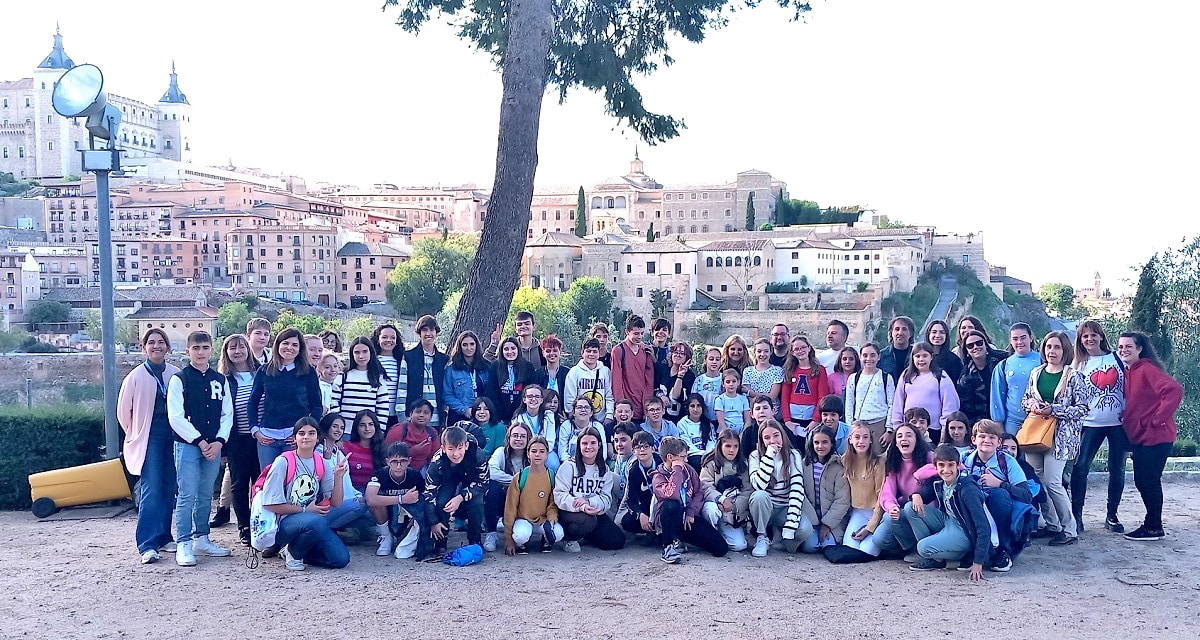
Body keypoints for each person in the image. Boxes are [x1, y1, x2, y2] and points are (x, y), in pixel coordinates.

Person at [167, 331, 234, 566]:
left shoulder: (220, 380)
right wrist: (199, 441)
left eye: (205, 348)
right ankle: (183, 541)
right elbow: (175, 416)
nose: (201, 352)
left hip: (213, 446)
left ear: (211, 350)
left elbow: (227, 414)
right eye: (196, 348)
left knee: (206, 493)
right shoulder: (179, 379)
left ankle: (202, 537)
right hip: (188, 445)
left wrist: (219, 441)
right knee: (187, 493)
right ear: (188, 351)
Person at [1020, 331, 1085, 545]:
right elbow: (1025, 399)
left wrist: (1053, 410)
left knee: (1053, 482)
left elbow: (1082, 408)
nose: (1052, 351)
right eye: (1049, 347)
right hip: (1036, 433)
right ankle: (1052, 524)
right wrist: (1034, 405)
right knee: (1038, 481)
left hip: (1061, 437)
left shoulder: (1073, 376)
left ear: (1065, 350)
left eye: (1057, 347)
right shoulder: (1036, 373)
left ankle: (1070, 529)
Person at [1118, 331, 1183, 541]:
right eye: (1121, 347)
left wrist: (1156, 420)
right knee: (1142, 480)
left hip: (1157, 436)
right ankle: (1152, 524)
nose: (1123, 350)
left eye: (1129, 346)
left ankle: (1154, 526)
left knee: (1149, 480)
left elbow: (1174, 390)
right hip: (1142, 436)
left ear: (1140, 349)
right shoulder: (1129, 371)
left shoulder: (1146, 369)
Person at [261, 417, 351, 571]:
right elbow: (270, 504)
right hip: (282, 523)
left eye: (311, 433)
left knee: (340, 559)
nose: (306, 437)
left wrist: (338, 477)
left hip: (311, 521)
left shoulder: (320, 462)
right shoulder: (283, 462)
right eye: (301, 433)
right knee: (317, 521)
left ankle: (290, 551)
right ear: (294, 438)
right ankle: (294, 554)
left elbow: (336, 502)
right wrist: (305, 510)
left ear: (318, 438)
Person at [1069, 320, 1130, 534]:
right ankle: (1077, 515)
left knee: (1117, 469)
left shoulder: (1117, 358)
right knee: (1080, 468)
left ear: (1101, 336)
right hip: (1090, 423)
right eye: (1085, 336)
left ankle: (1112, 515)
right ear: (1080, 340)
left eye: (1093, 335)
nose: (1089, 339)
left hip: (1118, 423)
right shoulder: (1078, 364)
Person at [909, 444, 993, 582]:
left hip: (964, 531)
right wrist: (916, 495)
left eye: (951, 465)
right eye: (941, 465)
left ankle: (959, 555)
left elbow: (983, 527)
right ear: (935, 467)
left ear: (958, 465)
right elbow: (925, 493)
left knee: (922, 548)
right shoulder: (939, 481)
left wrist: (978, 561)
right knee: (910, 508)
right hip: (947, 520)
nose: (946, 470)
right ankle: (935, 558)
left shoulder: (968, 490)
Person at [248, 328, 324, 470]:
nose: (289, 347)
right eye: (285, 343)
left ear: (300, 349)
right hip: (268, 437)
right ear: (278, 345)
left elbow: (316, 406)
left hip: (294, 438)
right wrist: (255, 430)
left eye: (295, 345)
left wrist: (305, 432)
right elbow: (253, 402)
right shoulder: (264, 371)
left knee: (292, 478)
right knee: (268, 478)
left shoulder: (308, 372)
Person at [962, 419, 1032, 572]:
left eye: (992, 437)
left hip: (1000, 510)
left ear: (999, 442)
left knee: (999, 495)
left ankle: (1003, 550)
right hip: (975, 507)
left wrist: (1000, 483)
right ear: (973, 439)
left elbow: (1026, 495)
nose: (987, 440)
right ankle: (974, 549)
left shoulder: (1007, 461)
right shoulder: (964, 459)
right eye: (982, 436)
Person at [652, 437, 730, 563]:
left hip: (688, 517)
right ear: (670, 457)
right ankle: (668, 546)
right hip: (670, 521)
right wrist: (677, 470)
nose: (686, 460)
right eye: (683, 457)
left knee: (721, 549)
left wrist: (691, 511)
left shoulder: (688, 470)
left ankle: (683, 539)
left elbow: (699, 492)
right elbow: (672, 494)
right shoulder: (658, 477)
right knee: (671, 504)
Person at [216, 334, 260, 546]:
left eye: (241, 346)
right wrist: (223, 447)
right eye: (232, 348)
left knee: (261, 482)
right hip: (236, 439)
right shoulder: (223, 379)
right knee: (239, 484)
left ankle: (260, 523)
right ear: (226, 353)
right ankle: (244, 526)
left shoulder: (261, 373)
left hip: (260, 439)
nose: (238, 351)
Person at [554, 426, 626, 552]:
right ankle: (569, 539)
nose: (589, 447)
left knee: (616, 541)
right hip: (569, 510)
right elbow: (559, 495)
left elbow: (606, 498)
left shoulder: (604, 469)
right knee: (588, 521)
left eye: (593, 443)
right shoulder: (569, 466)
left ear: (599, 445)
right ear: (579, 446)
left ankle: (587, 533)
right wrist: (581, 506)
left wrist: (590, 502)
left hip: (594, 510)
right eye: (584, 443)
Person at [748, 420, 813, 557]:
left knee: (805, 530)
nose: (772, 441)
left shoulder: (793, 455)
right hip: (766, 506)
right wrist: (769, 455)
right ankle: (762, 536)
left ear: (782, 435)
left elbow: (797, 489)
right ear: (762, 440)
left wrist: (790, 525)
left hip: (785, 506)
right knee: (759, 496)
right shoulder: (755, 456)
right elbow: (758, 486)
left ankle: (781, 540)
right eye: (767, 437)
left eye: (776, 435)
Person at [424, 424, 487, 556]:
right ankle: (441, 539)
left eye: (459, 448)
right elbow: (429, 493)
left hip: (471, 478)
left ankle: (475, 539)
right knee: (441, 501)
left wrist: (461, 497)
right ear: (443, 448)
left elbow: (483, 482)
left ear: (466, 445)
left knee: (477, 502)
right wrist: (433, 521)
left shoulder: (478, 454)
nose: (456, 454)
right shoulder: (436, 462)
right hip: (448, 477)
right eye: (451, 449)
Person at [873, 422, 935, 557]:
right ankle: (911, 548)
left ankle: (923, 550)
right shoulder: (894, 460)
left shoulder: (928, 456)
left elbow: (952, 467)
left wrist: (921, 473)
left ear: (916, 440)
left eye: (909, 435)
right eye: (900, 436)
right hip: (906, 510)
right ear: (895, 443)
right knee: (880, 538)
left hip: (928, 511)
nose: (904, 439)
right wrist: (892, 507)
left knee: (903, 510)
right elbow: (887, 492)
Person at [365, 442, 431, 561]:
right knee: (376, 501)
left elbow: (424, 500)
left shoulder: (414, 475)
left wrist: (417, 517)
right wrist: (401, 498)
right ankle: (385, 536)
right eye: (394, 461)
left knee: (404, 551)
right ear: (387, 461)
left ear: (409, 461)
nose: (399, 466)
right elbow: (370, 499)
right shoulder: (380, 474)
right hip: (387, 514)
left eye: (403, 461)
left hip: (407, 517)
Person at [890, 342, 960, 445]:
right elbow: (898, 403)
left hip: (934, 429)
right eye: (917, 356)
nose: (921, 359)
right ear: (912, 358)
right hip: (910, 428)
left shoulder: (940, 376)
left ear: (931, 357)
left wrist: (945, 428)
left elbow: (950, 404)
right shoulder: (906, 376)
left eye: (925, 356)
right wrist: (897, 426)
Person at [504, 436, 563, 554]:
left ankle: (545, 541)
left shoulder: (552, 476)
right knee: (520, 535)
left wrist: (552, 519)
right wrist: (508, 538)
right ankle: (521, 544)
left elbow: (553, 503)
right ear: (528, 454)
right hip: (523, 519)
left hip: (543, 520)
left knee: (558, 534)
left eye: (542, 451)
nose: (537, 455)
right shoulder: (520, 477)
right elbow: (510, 508)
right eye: (534, 451)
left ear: (547, 454)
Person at [799, 425, 850, 553]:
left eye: (825, 442)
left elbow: (842, 500)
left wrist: (827, 524)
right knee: (810, 547)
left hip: (832, 520)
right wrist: (812, 520)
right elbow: (800, 494)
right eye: (816, 442)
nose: (820, 446)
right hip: (811, 518)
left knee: (828, 545)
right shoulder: (804, 464)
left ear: (832, 443)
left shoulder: (839, 467)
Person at [700, 428, 751, 551]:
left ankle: (725, 533)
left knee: (739, 545)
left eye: (735, 446)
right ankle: (711, 535)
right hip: (715, 505)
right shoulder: (710, 463)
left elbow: (747, 490)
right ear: (720, 445)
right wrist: (722, 500)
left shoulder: (743, 465)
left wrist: (733, 506)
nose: (732, 450)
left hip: (732, 512)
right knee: (710, 510)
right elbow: (705, 486)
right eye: (728, 446)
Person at [839, 423, 886, 557]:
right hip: (858, 512)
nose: (861, 441)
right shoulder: (844, 461)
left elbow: (881, 496)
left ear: (870, 440)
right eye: (857, 437)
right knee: (850, 548)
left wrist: (870, 527)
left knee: (868, 551)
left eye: (865, 437)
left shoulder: (878, 463)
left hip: (875, 512)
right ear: (850, 439)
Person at [485, 422, 531, 550]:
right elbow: (490, 471)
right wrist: (516, 481)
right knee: (491, 486)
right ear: (508, 438)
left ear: (528, 439)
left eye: (523, 436)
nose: (518, 439)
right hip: (504, 498)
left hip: (525, 500)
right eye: (515, 435)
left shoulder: (533, 454)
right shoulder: (501, 452)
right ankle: (491, 533)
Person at [844, 343, 895, 454]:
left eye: (872, 355)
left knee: (877, 458)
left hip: (879, 424)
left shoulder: (886, 378)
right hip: (859, 424)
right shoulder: (853, 378)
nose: (868, 359)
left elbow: (892, 404)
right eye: (865, 355)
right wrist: (850, 427)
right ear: (860, 357)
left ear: (878, 357)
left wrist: (889, 430)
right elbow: (849, 404)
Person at [991, 323, 1041, 435]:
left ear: (1031, 338)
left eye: (1023, 338)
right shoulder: (1003, 365)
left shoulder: (1043, 361)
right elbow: (997, 396)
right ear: (1010, 341)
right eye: (1015, 339)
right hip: (1012, 421)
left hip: (1038, 418)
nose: (1019, 342)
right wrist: (998, 423)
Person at [404, 315, 449, 430]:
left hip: (436, 418)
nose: (428, 333)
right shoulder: (409, 357)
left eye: (432, 330)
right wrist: (402, 417)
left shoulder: (443, 359)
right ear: (419, 333)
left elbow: (446, 390)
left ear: (436, 333)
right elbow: (402, 388)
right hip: (414, 418)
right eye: (424, 330)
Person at [331, 337, 389, 424]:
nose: (361, 356)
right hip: (345, 429)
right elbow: (334, 403)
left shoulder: (378, 378)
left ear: (371, 352)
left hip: (368, 430)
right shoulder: (342, 377)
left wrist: (380, 429)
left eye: (365, 352)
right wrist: (338, 426)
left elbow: (383, 408)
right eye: (357, 352)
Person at [956, 329, 1009, 425]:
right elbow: (967, 409)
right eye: (970, 345)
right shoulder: (965, 377)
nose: (975, 347)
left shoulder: (1003, 361)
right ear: (967, 351)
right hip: (983, 424)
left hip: (1009, 417)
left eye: (979, 343)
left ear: (986, 344)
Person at [617, 431, 662, 540]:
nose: (642, 450)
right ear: (633, 451)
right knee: (627, 521)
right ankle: (651, 532)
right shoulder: (634, 471)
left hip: (662, 505)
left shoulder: (661, 463)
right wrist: (640, 514)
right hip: (647, 506)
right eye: (638, 447)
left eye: (646, 446)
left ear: (653, 448)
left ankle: (664, 535)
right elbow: (631, 500)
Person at [611, 314, 655, 422]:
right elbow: (616, 381)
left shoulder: (645, 350)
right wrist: (621, 408)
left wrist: (646, 406)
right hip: (626, 411)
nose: (639, 337)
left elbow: (649, 381)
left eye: (642, 333)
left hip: (642, 409)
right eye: (636, 333)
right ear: (627, 332)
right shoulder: (618, 351)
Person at [781, 336, 829, 436]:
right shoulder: (789, 370)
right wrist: (787, 420)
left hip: (811, 418)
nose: (800, 351)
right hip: (793, 419)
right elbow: (784, 398)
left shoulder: (819, 370)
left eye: (803, 347)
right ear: (792, 352)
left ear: (809, 348)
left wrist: (815, 420)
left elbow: (822, 397)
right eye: (796, 349)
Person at [486, 336, 539, 422]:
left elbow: (531, 389)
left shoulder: (528, 367)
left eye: (513, 348)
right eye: (506, 349)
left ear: (518, 349)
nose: (510, 352)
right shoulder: (495, 366)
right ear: (501, 351)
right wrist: (498, 416)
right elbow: (491, 392)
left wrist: (522, 412)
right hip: (499, 417)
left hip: (522, 415)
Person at [564, 338, 615, 426]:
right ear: (582, 353)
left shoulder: (605, 371)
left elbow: (609, 396)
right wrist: (573, 417)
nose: (591, 354)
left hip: (601, 421)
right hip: (580, 421)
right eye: (588, 351)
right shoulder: (574, 372)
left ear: (599, 353)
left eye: (595, 351)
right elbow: (570, 398)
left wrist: (609, 416)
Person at [445, 330, 490, 425]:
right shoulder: (451, 369)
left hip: (483, 416)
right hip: (459, 416)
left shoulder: (486, 367)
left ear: (476, 345)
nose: (469, 348)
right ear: (459, 347)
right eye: (465, 345)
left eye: (472, 344)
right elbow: (447, 395)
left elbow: (491, 391)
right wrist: (464, 410)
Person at [512, 384, 560, 471]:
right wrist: (532, 451)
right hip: (525, 451)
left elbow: (550, 440)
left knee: (553, 464)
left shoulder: (549, 415)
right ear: (524, 399)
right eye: (530, 396)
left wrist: (540, 451)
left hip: (545, 450)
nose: (533, 399)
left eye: (537, 397)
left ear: (541, 400)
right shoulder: (518, 417)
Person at [385, 400, 440, 471]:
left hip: (425, 470)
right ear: (411, 414)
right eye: (418, 412)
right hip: (399, 468)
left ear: (431, 417)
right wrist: (414, 451)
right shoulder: (399, 429)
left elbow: (435, 457)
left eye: (426, 413)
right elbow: (388, 453)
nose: (421, 415)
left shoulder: (432, 433)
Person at [372, 324, 406, 427]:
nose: (389, 340)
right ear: (378, 339)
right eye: (384, 337)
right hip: (376, 412)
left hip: (397, 414)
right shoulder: (372, 360)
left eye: (392, 338)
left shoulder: (402, 361)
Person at [558, 397, 607, 465]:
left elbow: (603, 451)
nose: (583, 410)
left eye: (586, 407)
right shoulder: (566, 425)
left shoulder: (598, 426)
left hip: (594, 462)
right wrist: (570, 461)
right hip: (571, 463)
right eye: (579, 407)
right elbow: (562, 451)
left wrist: (592, 463)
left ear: (591, 413)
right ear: (573, 412)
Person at [343, 410, 385, 487]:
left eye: (371, 424)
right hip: (350, 491)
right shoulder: (346, 447)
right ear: (356, 427)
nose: (367, 428)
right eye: (362, 425)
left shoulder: (383, 449)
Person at [607, 422, 639, 521]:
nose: (619, 444)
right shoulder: (620, 456)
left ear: (633, 441)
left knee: (608, 476)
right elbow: (616, 478)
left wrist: (619, 516)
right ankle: (609, 518)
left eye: (623, 440)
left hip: (634, 496)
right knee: (608, 478)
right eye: (616, 441)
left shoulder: (635, 460)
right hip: (622, 490)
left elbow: (629, 493)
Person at [742, 338, 785, 408]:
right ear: (754, 352)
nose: (762, 354)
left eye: (766, 351)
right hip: (754, 410)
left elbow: (772, 397)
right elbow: (748, 397)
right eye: (759, 351)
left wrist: (751, 393)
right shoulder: (747, 371)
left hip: (772, 411)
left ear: (770, 352)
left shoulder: (777, 371)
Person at [663, 342, 697, 425]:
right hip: (661, 418)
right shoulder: (663, 369)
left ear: (687, 358)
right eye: (675, 352)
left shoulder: (689, 375)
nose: (678, 355)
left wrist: (680, 376)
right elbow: (654, 387)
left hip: (678, 419)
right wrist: (661, 396)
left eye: (682, 353)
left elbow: (675, 396)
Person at [677, 393, 715, 468]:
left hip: (708, 456)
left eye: (698, 406)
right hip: (692, 456)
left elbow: (712, 442)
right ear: (687, 408)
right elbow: (685, 443)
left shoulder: (708, 424)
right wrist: (701, 454)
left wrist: (706, 455)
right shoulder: (682, 424)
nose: (695, 409)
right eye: (692, 406)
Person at [691, 346, 724, 422]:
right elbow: (693, 399)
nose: (714, 362)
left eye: (717, 359)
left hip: (721, 420)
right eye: (711, 359)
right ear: (705, 360)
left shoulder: (725, 378)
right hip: (702, 419)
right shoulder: (699, 380)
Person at [878, 316, 915, 383]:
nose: (900, 333)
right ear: (891, 333)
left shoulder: (917, 355)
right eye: (897, 329)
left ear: (911, 333)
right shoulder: (881, 356)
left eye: (904, 329)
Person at [714, 369, 751, 435]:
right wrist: (728, 435)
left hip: (741, 433)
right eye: (728, 382)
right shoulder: (720, 399)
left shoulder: (743, 399)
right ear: (723, 384)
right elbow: (721, 421)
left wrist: (743, 434)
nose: (731, 384)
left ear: (738, 382)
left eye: (734, 381)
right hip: (725, 434)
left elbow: (748, 421)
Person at [471, 397, 506, 462]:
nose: (482, 412)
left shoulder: (499, 427)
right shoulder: (469, 427)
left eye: (486, 409)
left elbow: (499, 451)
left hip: (492, 462)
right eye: (478, 409)